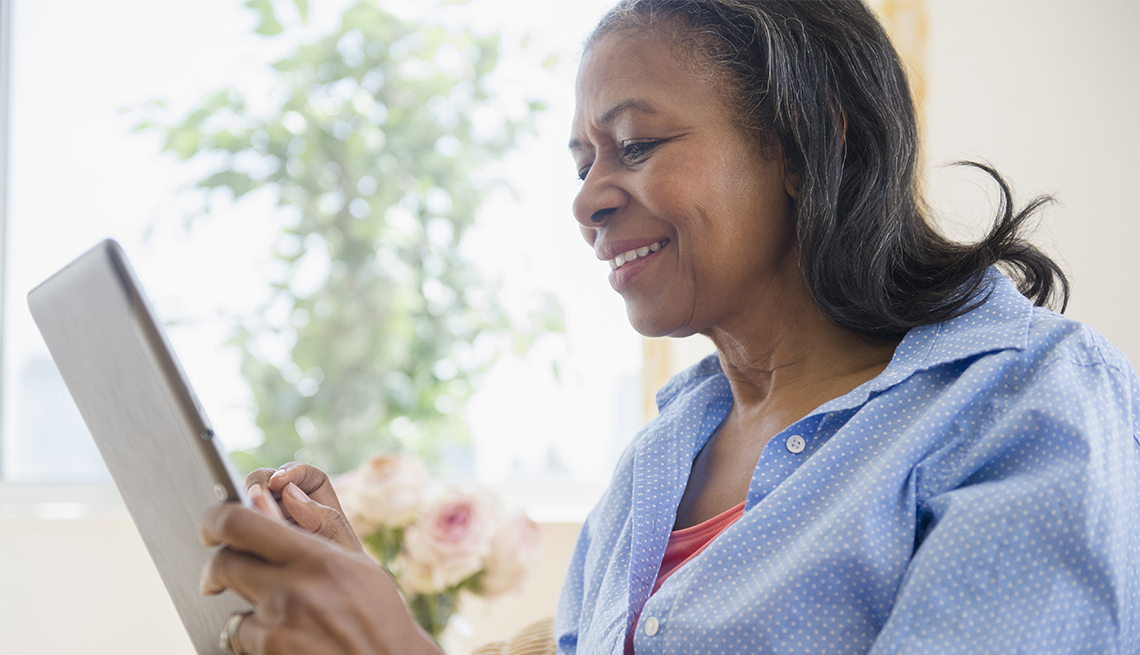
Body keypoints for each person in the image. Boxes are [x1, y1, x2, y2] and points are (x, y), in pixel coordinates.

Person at [198, 1, 1140, 654]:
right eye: (582, 162)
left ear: (813, 143)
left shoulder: (1024, 401)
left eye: (637, 144)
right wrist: (358, 602)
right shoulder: (666, 452)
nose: (590, 199)